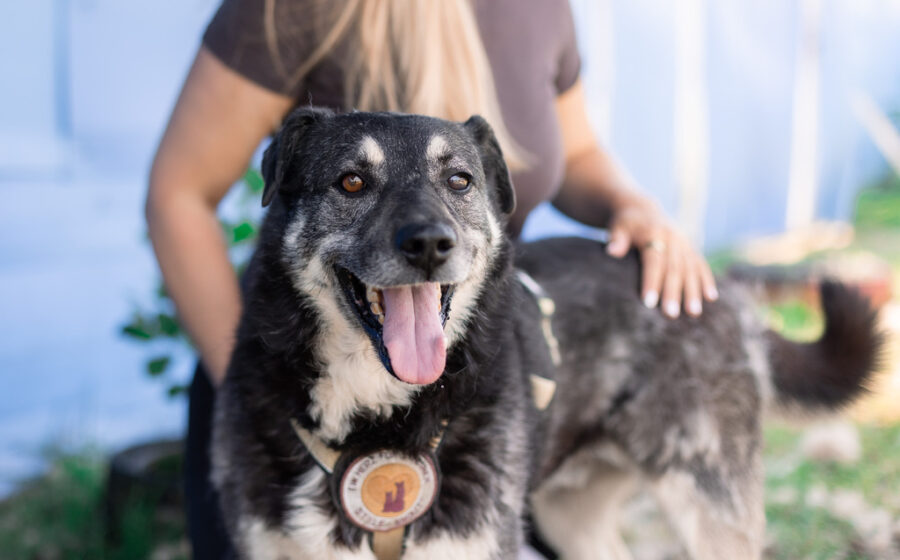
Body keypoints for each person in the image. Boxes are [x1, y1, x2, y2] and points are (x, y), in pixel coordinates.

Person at [145, 0, 718, 556]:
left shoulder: (544, 6)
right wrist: (248, 388)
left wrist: (630, 203)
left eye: (460, 182)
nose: (429, 233)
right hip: (277, 394)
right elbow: (179, 194)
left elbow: (577, 150)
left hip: (472, 389)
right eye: (353, 182)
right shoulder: (291, 7)